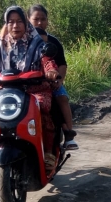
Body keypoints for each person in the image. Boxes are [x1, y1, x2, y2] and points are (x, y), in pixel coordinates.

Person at [0, 6, 60, 170]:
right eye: (11, 22)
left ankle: (48, 153)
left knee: (42, 108)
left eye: (19, 21)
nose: (15, 25)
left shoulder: (36, 43)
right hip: (7, 91)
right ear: (6, 24)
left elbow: (46, 60)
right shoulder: (0, 44)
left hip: (35, 89)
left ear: (26, 24)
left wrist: (51, 71)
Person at [27, 4, 78, 151]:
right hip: (26, 85)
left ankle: (68, 134)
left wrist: (59, 80)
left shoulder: (53, 41)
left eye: (43, 19)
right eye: (36, 19)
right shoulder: (21, 42)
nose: (39, 22)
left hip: (50, 82)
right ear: (28, 20)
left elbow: (61, 64)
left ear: (47, 21)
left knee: (61, 98)